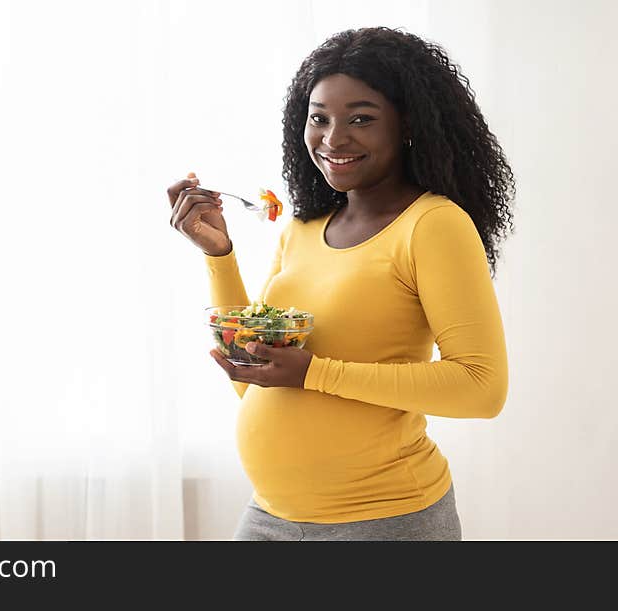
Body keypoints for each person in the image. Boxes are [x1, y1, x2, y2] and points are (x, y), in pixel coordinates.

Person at [166, 26, 515, 541]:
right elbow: (254, 379)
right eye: (319, 118)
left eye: (361, 120)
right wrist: (220, 254)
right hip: (270, 517)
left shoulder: (433, 225)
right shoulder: (302, 228)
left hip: (385, 521)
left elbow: (482, 389)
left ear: (408, 125)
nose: (333, 139)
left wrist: (315, 372)